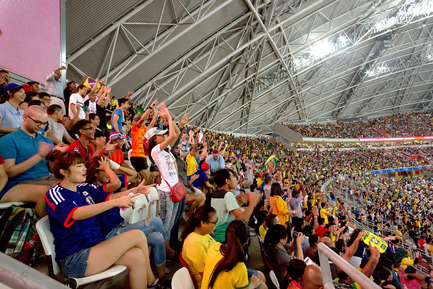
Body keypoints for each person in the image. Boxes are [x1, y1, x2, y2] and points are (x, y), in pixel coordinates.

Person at [44, 151, 163, 289]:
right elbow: (76, 213)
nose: (84, 169)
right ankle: (152, 282)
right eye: (78, 166)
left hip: (95, 247)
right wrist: (116, 202)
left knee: (136, 256)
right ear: (64, 172)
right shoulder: (55, 193)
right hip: (76, 259)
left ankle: (151, 282)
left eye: (83, 165)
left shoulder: (83, 187)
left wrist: (135, 190)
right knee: (137, 235)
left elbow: (111, 196)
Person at [84, 155, 172, 285]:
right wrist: (108, 168)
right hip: (111, 234)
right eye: (106, 169)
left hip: (122, 227)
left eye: (110, 168)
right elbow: (117, 184)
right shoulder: (92, 190)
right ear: (95, 173)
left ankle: (161, 278)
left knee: (158, 237)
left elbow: (133, 174)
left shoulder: (105, 185)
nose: (110, 172)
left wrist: (115, 166)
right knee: (156, 222)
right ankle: (168, 255)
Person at [0, 105, 57, 216]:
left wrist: (57, 159)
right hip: (19, 182)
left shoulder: (46, 140)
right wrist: (39, 156)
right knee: (52, 191)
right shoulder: (8, 140)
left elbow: (52, 169)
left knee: (74, 184)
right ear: (25, 117)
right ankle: (36, 229)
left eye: (44, 123)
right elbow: (10, 173)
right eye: (37, 122)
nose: (41, 126)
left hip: (45, 178)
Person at [201, 219, 267, 289]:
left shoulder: (214, 247)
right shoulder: (239, 267)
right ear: (247, 241)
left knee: (260, 275)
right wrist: (252, 284)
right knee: (263, 286)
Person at [148, 103, 180, 238]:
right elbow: (172, 135)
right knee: (165, 224)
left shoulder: (166, 150)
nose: (164, 136)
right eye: (160, 135)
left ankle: (165, 250)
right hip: (167, 191)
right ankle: (160, 253)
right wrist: (167, 118)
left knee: (170, 223)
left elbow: (176, 134)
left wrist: (171, 119)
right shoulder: (155, 151)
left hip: (174, 189)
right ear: (154, 139)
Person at [210, 168, 260, 242]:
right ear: (227, 181)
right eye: (233, 176)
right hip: (224, 237)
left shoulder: (215, 194)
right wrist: (253, 202)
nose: (235, 179)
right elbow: (243, 219)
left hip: (217, 236)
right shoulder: (228, 195)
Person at [181, 205, 217, 288]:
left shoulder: (204, 234)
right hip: (211, 284)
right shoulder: (194, 243)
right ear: (203, 223)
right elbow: (206, 274)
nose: (216, 225)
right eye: (214, 222)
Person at [130, 100, 158, 185]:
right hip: (136, 156)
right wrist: (150, 107)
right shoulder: (135, 128)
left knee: (149, 179)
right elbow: (143, 118)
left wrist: (156, 114)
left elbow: (152, 123)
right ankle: (137, 196)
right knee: (146, 179)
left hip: (142, 157)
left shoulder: (144, 130)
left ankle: (139, 194)